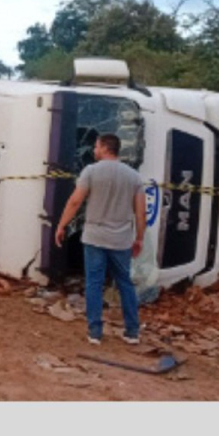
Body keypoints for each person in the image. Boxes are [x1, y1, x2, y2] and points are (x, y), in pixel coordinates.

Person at [54, 133, 146, 346]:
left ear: (105, 148)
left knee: (94, 284)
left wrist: (61, 225)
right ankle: (132, 332)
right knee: (125, 283)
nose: (93, 150)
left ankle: (95, 332)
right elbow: (141, 213)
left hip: (95, 238)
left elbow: (76, 201)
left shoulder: (91, 172)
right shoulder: (133, 177)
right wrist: (139, 238)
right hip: (121, 240)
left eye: (96, 146)